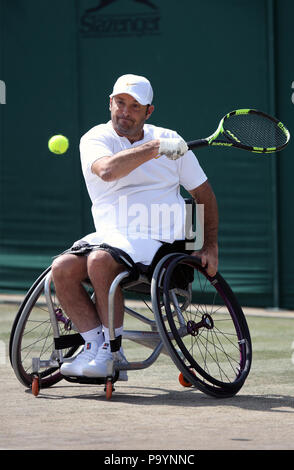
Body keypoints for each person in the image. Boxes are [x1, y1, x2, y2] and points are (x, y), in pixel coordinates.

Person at [52, 73, 218, 380]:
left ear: (148, 112)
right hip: (110, 236)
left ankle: (110, 354)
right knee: (61, 268)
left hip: (161, 241)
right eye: (120, 102)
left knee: (101, 260)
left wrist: (208, 246)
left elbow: (202, 194)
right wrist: (154, 148)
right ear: (110, 102)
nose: (125, 112)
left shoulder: (172, 140)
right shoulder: (95, 139)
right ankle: (95, 347)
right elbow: (108, 170)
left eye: (134, 106)